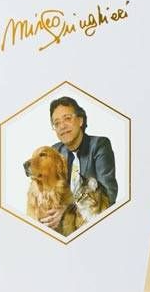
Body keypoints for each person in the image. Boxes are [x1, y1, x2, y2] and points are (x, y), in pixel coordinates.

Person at [40, 96, 117, 230]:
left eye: (67, 118)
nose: (62, 126)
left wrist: (67, 210)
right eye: (56, 123)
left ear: (80, 120)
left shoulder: (100, 145)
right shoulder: (55, 151)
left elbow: (108, 194)